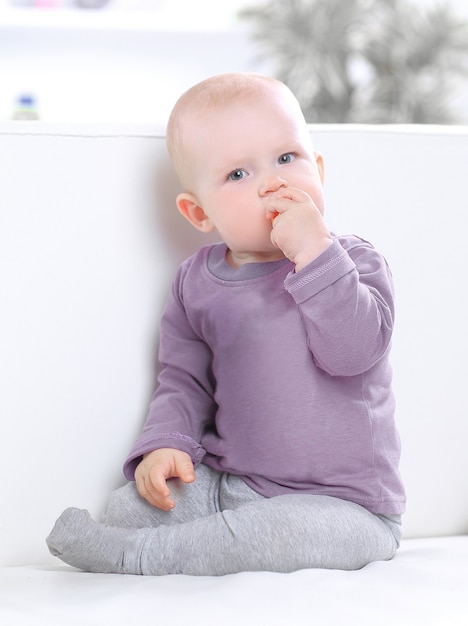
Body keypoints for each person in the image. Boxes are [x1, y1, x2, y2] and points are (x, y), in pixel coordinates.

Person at [46, 72, 405, 576]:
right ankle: (153, 538)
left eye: (287, 158)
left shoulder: (352, 261)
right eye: (238, 175)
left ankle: (138, 557)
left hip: (346, 509)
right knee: (131, 507)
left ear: (318, 170)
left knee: (264, 534)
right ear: (198, 213)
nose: (272, 183)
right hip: (232, 487)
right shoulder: (196, 282)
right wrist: (166, 445)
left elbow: (353, 352)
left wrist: (313, 252)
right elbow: (183, 381)